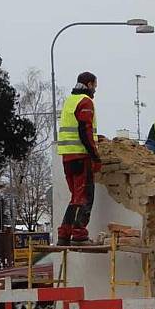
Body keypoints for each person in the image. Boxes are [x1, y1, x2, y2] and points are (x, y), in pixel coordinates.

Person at [56, 71, 101, 245]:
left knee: (76, 196)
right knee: (85, 197)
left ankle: (64, 234)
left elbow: (76, 128)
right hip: (81, 156)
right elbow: (84, 130)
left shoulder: (69, 101)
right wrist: (95, 156)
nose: (95, 90)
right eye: (95, 86)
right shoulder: (85, 101)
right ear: (89, 84)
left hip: (67, 157)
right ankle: (79, 234)